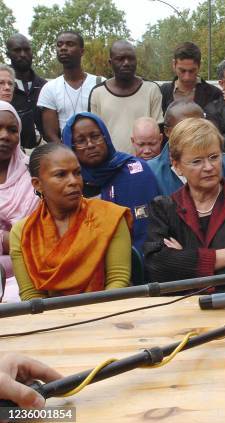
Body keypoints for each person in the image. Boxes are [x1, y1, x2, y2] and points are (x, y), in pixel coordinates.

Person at [143, 118, 225, 285]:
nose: (208, 167)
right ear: (176, 165)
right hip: (182, 307)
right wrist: (219, 257)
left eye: (214, 157)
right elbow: (157, 267)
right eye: (197, 161)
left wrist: (185, 259)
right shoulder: (163, 208)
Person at [10, 143, 132, 301]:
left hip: (107, 313)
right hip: (50, 321)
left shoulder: (110, 216)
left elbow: (118, 281)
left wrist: (92, 317)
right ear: (37, 184)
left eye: (77, 173)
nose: (73, 181)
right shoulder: (23, 232)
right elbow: (32, 298)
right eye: (61, 175)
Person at [61, 112, 158, 251]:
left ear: (106, 137)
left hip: (144, 258)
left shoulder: (136, 170)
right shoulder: (69, 183)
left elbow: (152, 227)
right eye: (81, 141)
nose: (90, 145)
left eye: (95, 137)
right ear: (71, 147)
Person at [148, 100, 225, 195]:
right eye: (184, 129)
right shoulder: (151, 171)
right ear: (167, 131)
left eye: (199, 126)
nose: (195, 133)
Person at [88, 40, 163, 154]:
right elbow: (94, 134)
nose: (126, 63)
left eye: (131, 58)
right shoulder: (98, 93)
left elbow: (158, 129)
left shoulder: (151, 89)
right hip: (112, 164)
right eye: (120, 59)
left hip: (146, 163)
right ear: (110, 62)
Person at [37, 31, 101, 144]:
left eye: (70, 44)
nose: (63, 48)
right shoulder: (50, 88)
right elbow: (50, 134)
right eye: (59, 44)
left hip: (96, 151)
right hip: (67, 154)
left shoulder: (99, 84)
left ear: (82, 51)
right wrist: (67, 154)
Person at [0, 101, 39, 279]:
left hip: (38, 261)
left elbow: (43, 230)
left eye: (12, 130)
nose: (5, 136)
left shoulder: (34, 172)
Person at [5, 33, 47, 149]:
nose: (23, 54)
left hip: (44, 154)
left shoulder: (45, 86)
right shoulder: (4, 87)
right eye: (17, 50)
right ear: (8, 54)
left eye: (27, 50)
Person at [160, 42, 222, 114]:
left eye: (192, 71)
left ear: (199, 66)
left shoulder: (214, 94)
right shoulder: (162, 92)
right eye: (182, 71)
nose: (187, 77)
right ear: (174, 64)